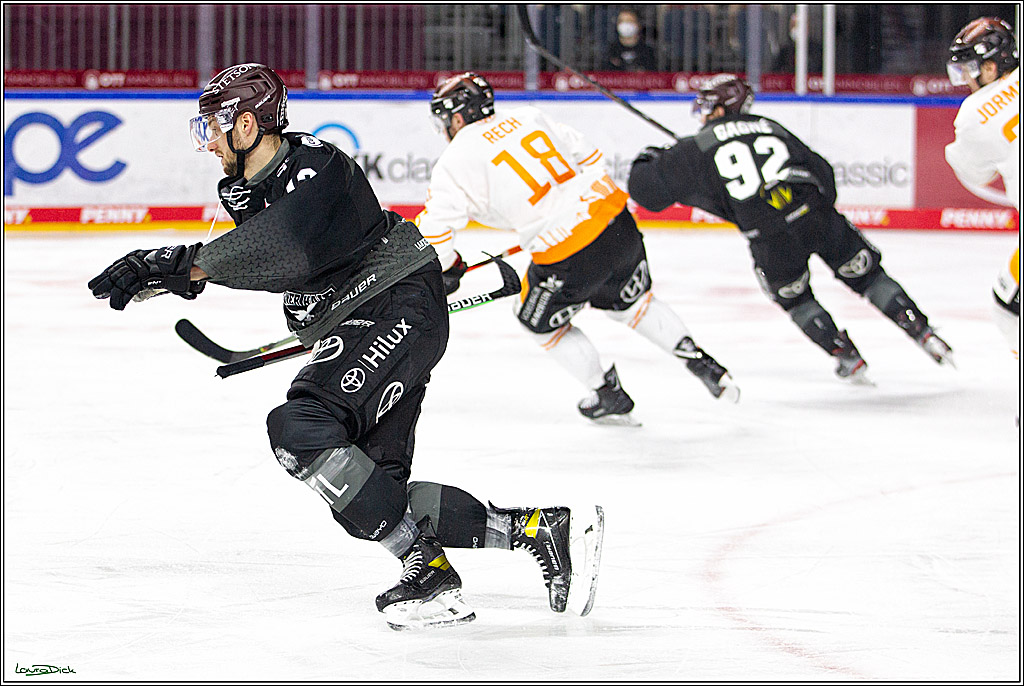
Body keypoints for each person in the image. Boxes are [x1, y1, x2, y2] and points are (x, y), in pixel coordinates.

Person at [87, 63, 604, 630]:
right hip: (364, 317)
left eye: (216, 125)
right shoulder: (237, 188)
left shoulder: (318, 165)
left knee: (301, 429)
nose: (208, 141)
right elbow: (298, 266)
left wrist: (182, 265)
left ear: (249, 124)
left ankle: (430, 574)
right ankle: (538, 529)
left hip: (395, 303)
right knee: (368, 490)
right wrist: (203, 280)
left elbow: (286, 246)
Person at [417, 72, 739, 425]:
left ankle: (605, 392)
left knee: (536, 321)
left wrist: (448, 268)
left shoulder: (455, 159)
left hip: (568, 256)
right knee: (635, 303)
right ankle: (702, 363)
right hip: (617, 222)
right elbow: (589, 156)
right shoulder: (528, 117)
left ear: (458, 117)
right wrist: (575, 208)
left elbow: (435, 231)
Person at [628, 74, 954, 382]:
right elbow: (823, 174)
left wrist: (650, 158)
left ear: (720, 108)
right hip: (817, 215)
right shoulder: (770, 127)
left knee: (796, 300)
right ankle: (923, 332)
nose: (701, 117)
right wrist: (817, 212)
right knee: (868, 276)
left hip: (769, 236)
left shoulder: (695, 147)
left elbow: (646, 193)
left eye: (706, 108)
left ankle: (845, 355)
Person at [944, 17, 1019, 418]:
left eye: (968, 70)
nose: (965, 81)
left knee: (1009, 308)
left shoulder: (976, 113)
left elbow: (975, 172)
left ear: (991, 67)